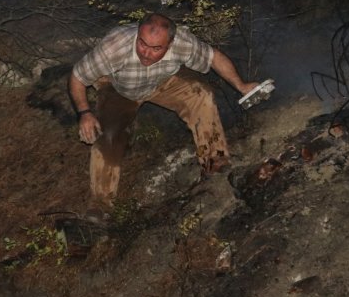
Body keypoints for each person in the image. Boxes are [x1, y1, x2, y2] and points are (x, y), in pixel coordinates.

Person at [68, 13, 259, 218]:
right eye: (142, 44)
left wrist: (241, 85)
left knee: (200, 94)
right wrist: (85, 113)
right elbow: (77, 77)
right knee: (108, 136)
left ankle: (215, 162)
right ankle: (101, 207)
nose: (147, 54)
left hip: (163, 82)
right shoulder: (115, 47)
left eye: (156, 48)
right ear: (137, 35)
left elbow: (214, 57)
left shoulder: (183, 43)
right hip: (120, 89)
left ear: (170, 43)